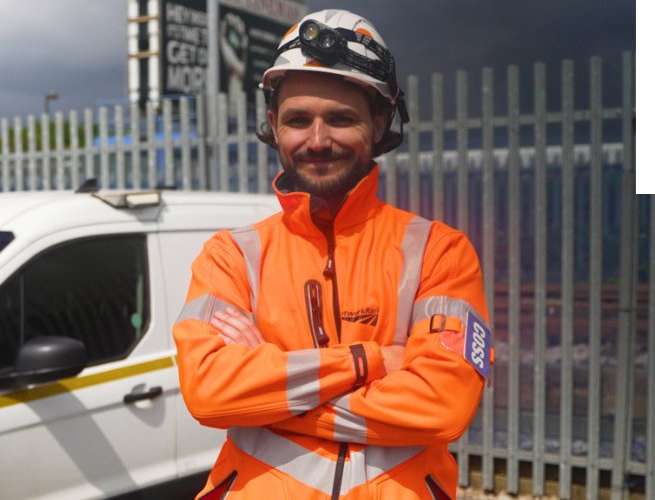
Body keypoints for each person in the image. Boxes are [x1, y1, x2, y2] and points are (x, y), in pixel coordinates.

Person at [173, 9, 494, 499]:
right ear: (274, 126)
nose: (317, 141)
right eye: (298, 120)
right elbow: (211, 395)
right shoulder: (230, 255)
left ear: (379, 122)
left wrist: (271, 388)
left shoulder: (439, 251)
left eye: (341, 119)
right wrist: (372, 361)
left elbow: (443, 407)